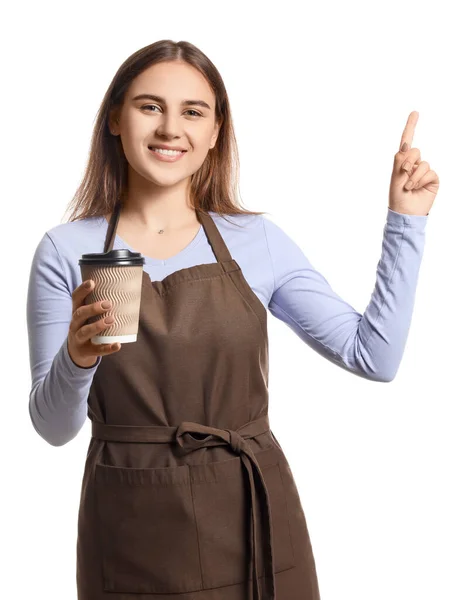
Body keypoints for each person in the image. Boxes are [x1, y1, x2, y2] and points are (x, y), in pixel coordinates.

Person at [26, 40, 439, 600]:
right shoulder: (65, 249)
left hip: (252, 518)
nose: (171, 127)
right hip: (128, 528)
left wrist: (406, 223)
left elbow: (375, 356)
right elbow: (54, 429)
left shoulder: (257, 242)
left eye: (193, 111)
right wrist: (77, 358)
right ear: (116, 120)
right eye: (150, 106)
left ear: (216, 131)